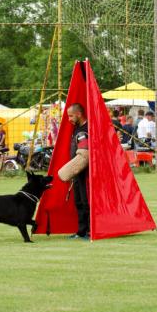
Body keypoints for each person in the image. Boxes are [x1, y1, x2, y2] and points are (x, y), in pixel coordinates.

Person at [65, 103, 90, 240]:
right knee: (78, 202)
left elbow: (85, 154)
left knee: (86, 202)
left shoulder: (85, 129)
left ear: (79, 114)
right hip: (77, 171)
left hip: (84, 171)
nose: (69, 118)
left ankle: (90, 231)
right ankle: (81, 231)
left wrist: (75, 168)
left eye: (71, 115)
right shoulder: (76, 128)